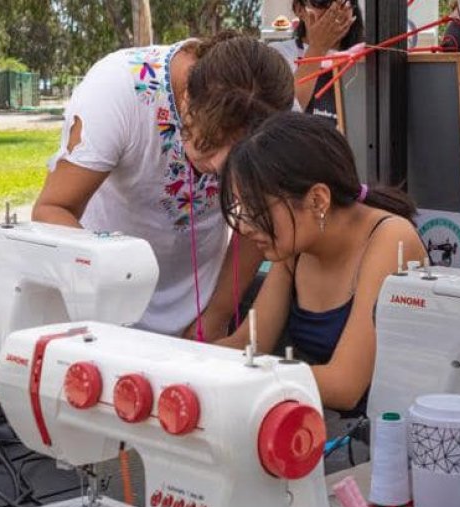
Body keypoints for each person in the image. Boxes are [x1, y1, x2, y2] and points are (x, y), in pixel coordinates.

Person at [32, 33, 294, 340]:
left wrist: (218, 313)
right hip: (103, 306)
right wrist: (111, 296)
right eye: (209, 143)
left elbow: (257, 219)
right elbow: (52, 209)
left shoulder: (276, 109)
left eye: (238, 155)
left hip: (199, 308)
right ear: (187, 99)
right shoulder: (118, 89)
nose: (218, 166)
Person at [215, 113, 425, 414]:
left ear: (317, 200)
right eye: (241, 209)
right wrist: (173, 359)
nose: (245, 227)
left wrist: (243, 374)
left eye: (256, 209)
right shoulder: (295, 247)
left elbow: (344, 385)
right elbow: (248, 344)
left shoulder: (391, 239)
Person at [269, 0, 363, 116]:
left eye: (344, 2)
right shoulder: (277, 55)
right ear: (299, 9)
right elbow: (282, 114)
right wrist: (318, 47)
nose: (335, 10)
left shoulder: (364, 58)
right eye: (322, 2)